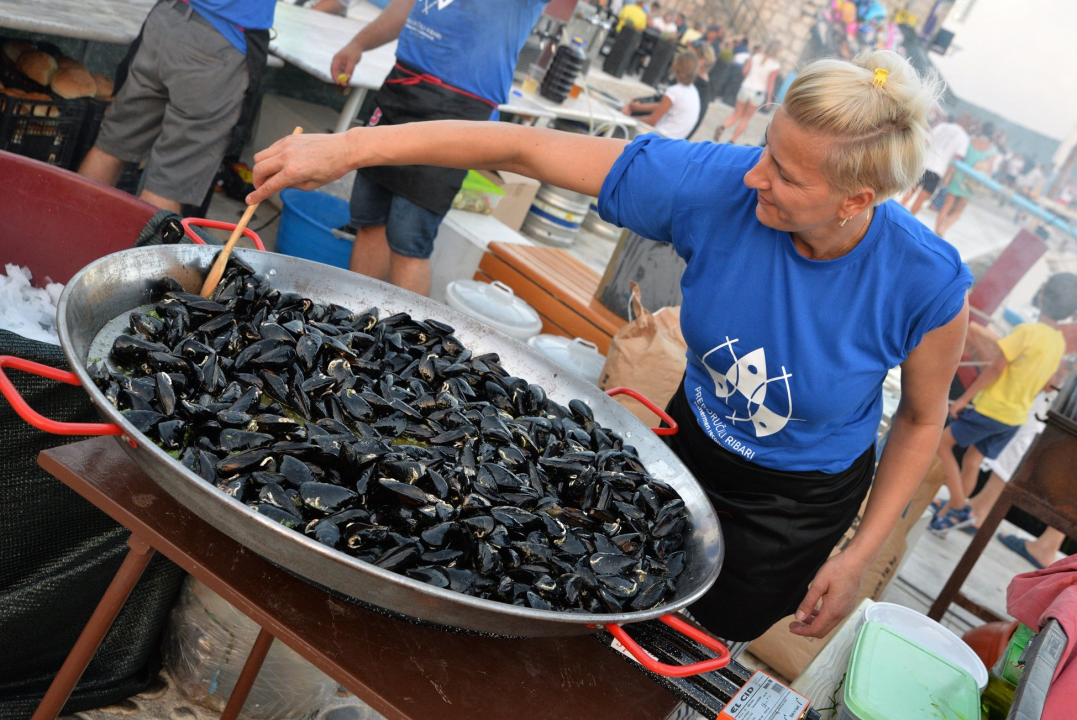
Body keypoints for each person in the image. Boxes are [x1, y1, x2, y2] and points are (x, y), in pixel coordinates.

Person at [249, 50, 972, 642]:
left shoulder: (924, 282)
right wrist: (346, 147)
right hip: (686, 444)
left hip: (794, 502)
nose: (755, 175)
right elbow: (519, 145)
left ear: (856, 201)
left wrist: (857, 553)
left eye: (785, 174)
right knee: (602, 592)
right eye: (765, 151)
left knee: (705, 633)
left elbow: (917, 420)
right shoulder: (719, 186)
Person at [329, 0, 549, 297]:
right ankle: (350, 322)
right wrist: (358, 44)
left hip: (459, 112)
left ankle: (411, 341)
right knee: (370, 221)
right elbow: (404, 7)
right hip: (402, 87)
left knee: (408, 241)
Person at [78, 0, 275, 213]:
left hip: (168, 19)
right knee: (170, 182)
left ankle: (67, 227)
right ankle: (146, 247)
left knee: (112, 145)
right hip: (218, 41)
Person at [930, 273, 1077, 532]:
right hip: (1014, 418)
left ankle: (957, 504)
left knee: (942, 445)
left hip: (992, 409)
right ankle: (950, 516)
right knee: (973, 461)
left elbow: (996, 369)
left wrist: (963, 399)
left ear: (1041, 296)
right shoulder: (1058, 343)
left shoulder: (1026, 332)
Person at [934, 122, 997, 238]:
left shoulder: (970, 141)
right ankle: (943, 229)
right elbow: (990, 168)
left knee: (947, 204)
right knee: (959, 208)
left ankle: (936, 229)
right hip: (972, 181)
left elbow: (960, 156)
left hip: (959, 176)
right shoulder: (992, 149)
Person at [621, 52, 701, 140]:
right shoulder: (693, 91)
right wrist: (639, 107)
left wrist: (627, 118)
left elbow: (652, 121)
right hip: (675, 140)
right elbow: (663, 106)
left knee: (620, 127)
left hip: (660, 137)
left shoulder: (674, 91)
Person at [714, 40, 781, 144]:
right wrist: (769, 100)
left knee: (736, 114)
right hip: (758, 93)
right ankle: (732, 140)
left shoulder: (755, 57)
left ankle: (723, 126)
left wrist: (749, 78)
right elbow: (770, 84)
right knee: (745, 119)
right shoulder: (775, 65)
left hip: (745, 87)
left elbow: (744, 70)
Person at [901, 116, 969, 216]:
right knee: (921, 199)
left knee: (909, 192)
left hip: (924, 163)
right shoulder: (963, 137)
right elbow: (958, 157)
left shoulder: (942, 126)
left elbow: (926, 142)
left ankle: (897, 212)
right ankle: (908, 218)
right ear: (967, 124)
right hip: (938, 169)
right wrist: (948, 176)